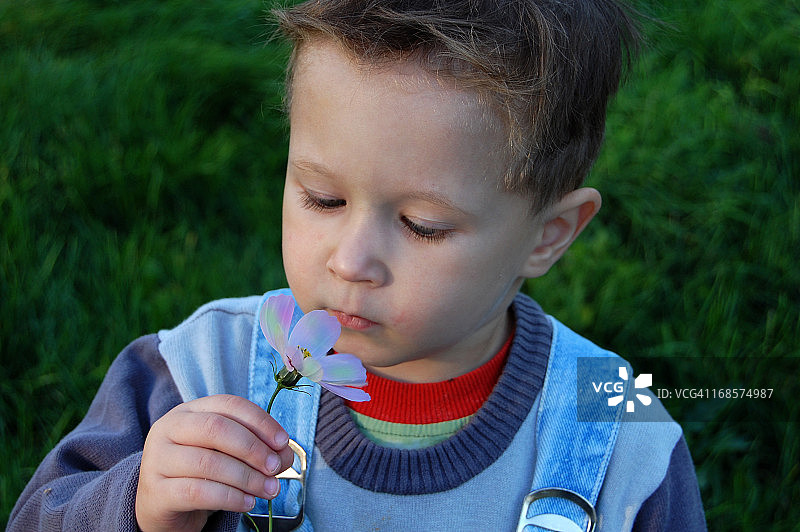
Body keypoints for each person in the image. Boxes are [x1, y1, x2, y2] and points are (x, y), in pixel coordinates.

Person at [8, 1, 707, 531]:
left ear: (548, 235)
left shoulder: (617, 440)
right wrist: (136, 504)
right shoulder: (197, 373)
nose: (350, 261)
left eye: (421, 226)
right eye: (323, 197)